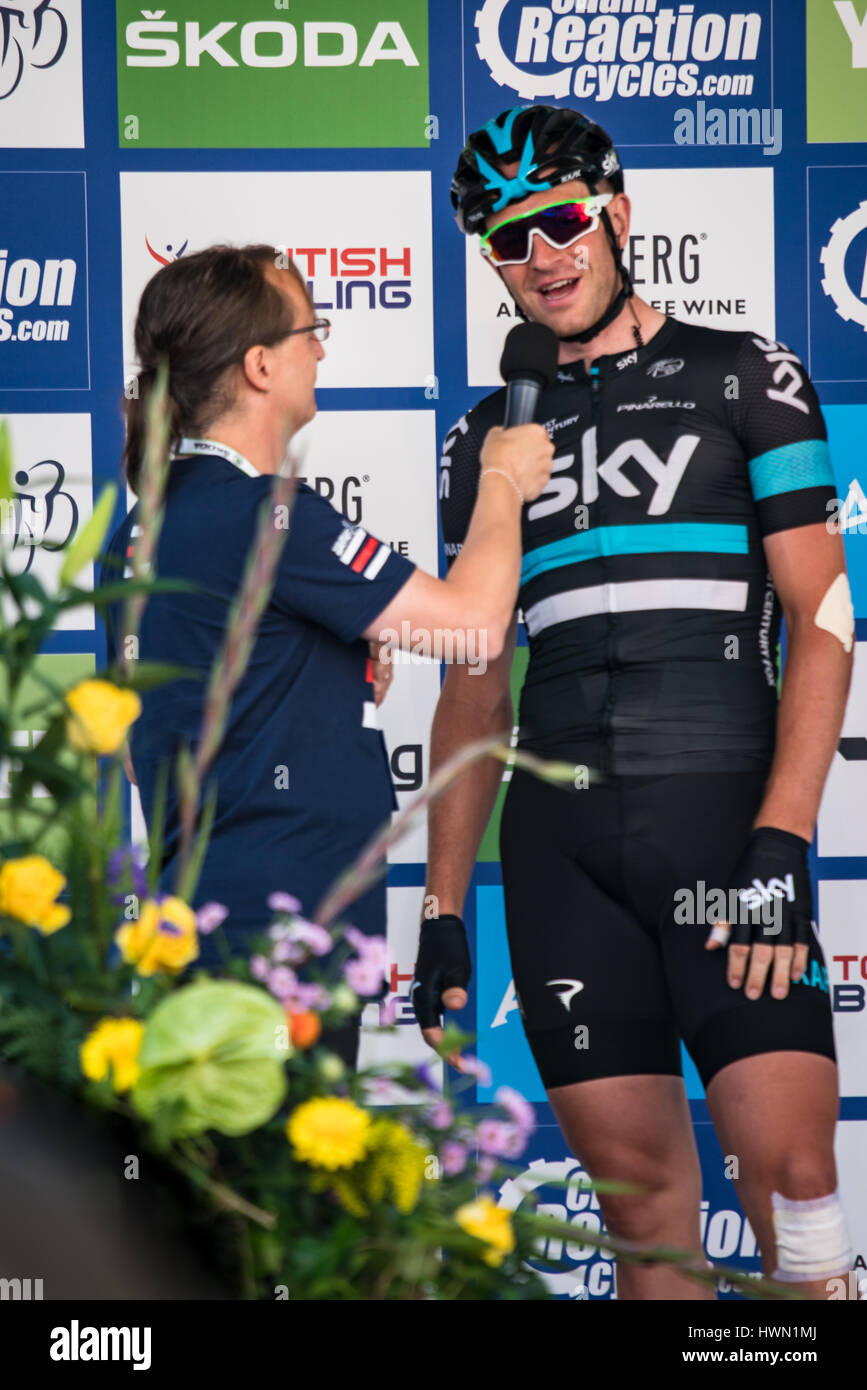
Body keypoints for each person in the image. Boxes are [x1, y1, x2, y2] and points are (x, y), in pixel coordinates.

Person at [412, 106, 856, 1299]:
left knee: (796, 1185)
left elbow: (823, 620)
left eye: (558, 221)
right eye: (508, 240)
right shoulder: (480, 441)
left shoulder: (745, 374)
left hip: (721, 827)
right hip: (562, 854)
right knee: (644, 1215)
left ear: (616, 210)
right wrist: (445, 906)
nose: (541, 256)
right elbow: (471, 683)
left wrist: (782, 838)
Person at [99, 243, 553, 1065]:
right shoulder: (266, 514)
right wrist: (502, 482)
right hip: (280, 941)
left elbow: (141, 750)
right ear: (260, 365)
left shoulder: (137, 528)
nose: (323, 346)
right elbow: (474, 628)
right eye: (312, 329)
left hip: (196, 932)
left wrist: (317, 675)